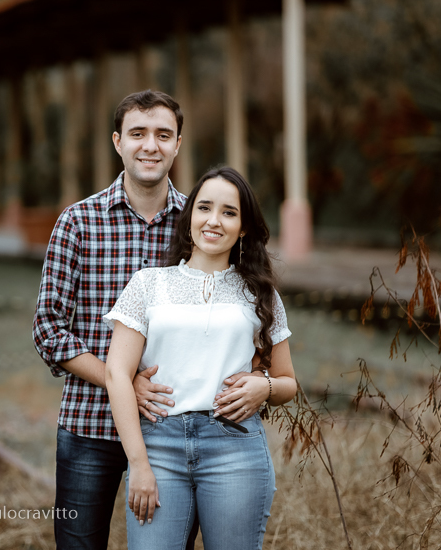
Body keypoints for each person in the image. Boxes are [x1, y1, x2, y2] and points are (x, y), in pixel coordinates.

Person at [33, 90, 250, 549]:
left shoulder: (200, 221)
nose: (150, 145)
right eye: (138, 133)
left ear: (177, 144)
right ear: (118, 142)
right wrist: (122, 381)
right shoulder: (78, 222)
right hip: (89, 425)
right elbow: (48, 329)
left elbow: (239, 308)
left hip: (171, 433)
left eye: (162, 135)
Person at [103, 166, 297, 550]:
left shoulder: (260, 293)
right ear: (189, 215)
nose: (213, 220)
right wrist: (139, 463)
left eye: (229, 212)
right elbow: (116, 374)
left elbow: (288, 381)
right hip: (159, 445)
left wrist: (265, 386)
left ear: (243, 227)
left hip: (234, 446)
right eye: (204, 208)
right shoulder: (148, 284)